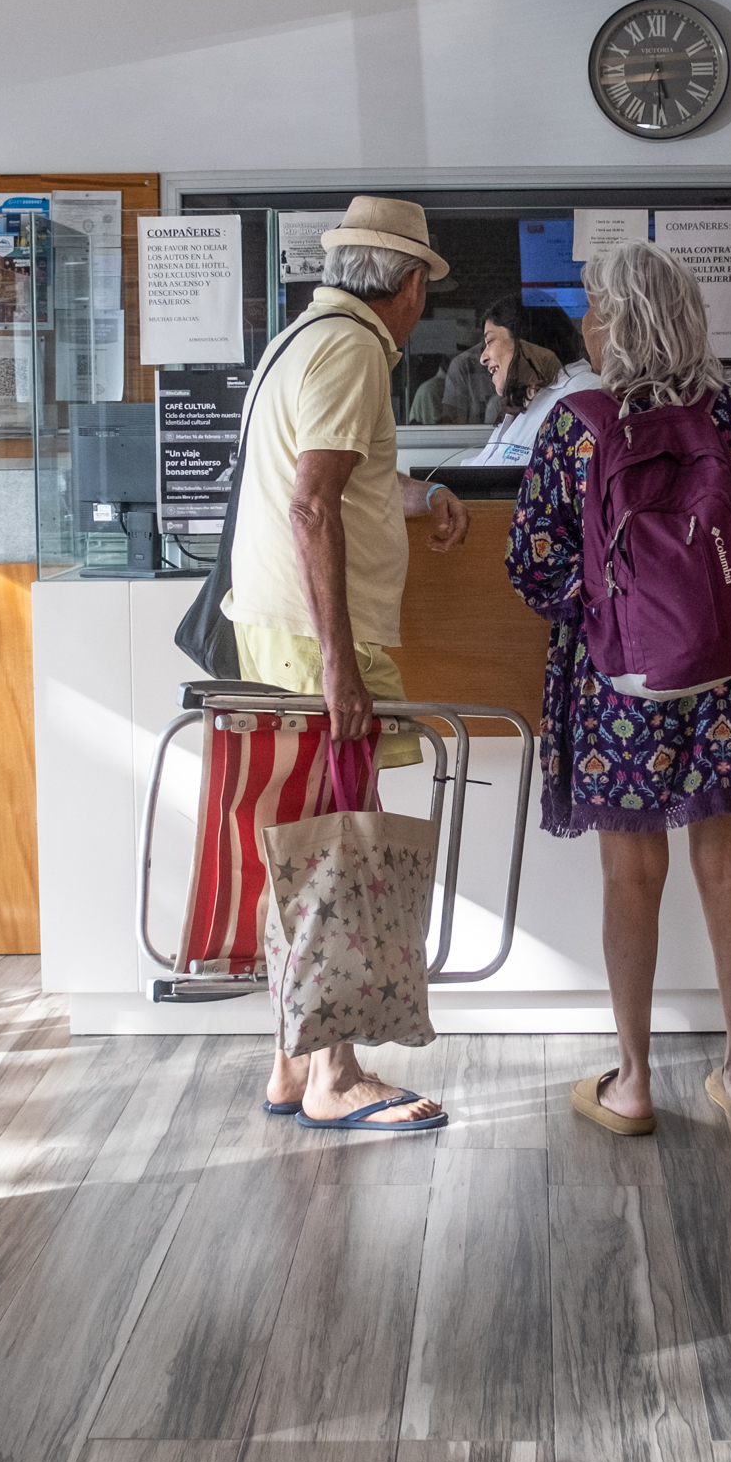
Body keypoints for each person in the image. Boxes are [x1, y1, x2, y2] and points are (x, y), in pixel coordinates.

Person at [505, 240, 731, 1135]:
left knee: (631, 876)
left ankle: (632, 1084)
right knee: (730, 872)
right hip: (729, 675)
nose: (585, 323)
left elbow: (533, 566)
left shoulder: (576, 423)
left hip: (617, 684)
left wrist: (612, 607)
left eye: (595, 308)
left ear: (622, 322)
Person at [227, 195, 473, 1131]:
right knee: (335, 845)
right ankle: (335, 1073)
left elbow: (343, 480)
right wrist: (340, 664)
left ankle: (291, 1065)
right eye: (424, 290)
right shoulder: (354, 350)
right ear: (408, 286)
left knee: (301, 846)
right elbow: (311, 505)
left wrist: (422, 494)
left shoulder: (304, 338)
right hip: (312, 636)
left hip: (281, 626)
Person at [470, 295, 599, 468]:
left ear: (525, 339)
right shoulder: (529, 399)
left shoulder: (584, 394)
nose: (483, 358)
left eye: (490, 341)